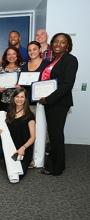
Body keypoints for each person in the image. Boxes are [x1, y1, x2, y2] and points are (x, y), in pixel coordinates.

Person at [39, 33, 78, 176]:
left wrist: (48, 99)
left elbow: (67, 85)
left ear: (68, 45)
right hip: (51, 102)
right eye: (56, 41)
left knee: (56, 134)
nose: (58, 44)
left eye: (62, 42)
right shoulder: (53, 59)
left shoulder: (71, 60)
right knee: (54, 134)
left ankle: (57, 168)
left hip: (59, 103)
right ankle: (55, 162)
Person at [0, 88, 36, 179]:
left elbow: (33, 137)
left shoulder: (29, 115)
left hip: (23, 148)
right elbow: (5, 129)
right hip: (10, 145)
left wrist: (23, 148)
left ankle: (27, 160)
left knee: (18, 174)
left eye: (22, 97)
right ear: (13, 98)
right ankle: (8, 157)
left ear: (25, 99)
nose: (19, 99)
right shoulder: (9, 112)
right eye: (17, 96)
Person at [21, 41, 49, 111]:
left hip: (42, 103)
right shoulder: (23, 67)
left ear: (40, 50)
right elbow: (21, 85)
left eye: (34, 49)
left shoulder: (47, 65)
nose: (32, 52)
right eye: (29, 50)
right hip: (26, 103)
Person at [0, 46, 22, 111]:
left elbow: (26, 83)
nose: (11, 56)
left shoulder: (23, 67)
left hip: (19, 101)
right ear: (6, 56)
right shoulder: (2, 68)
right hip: (5, 101)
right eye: (9, 54)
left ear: (17, 55)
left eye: (13, 54)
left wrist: (21, 87)